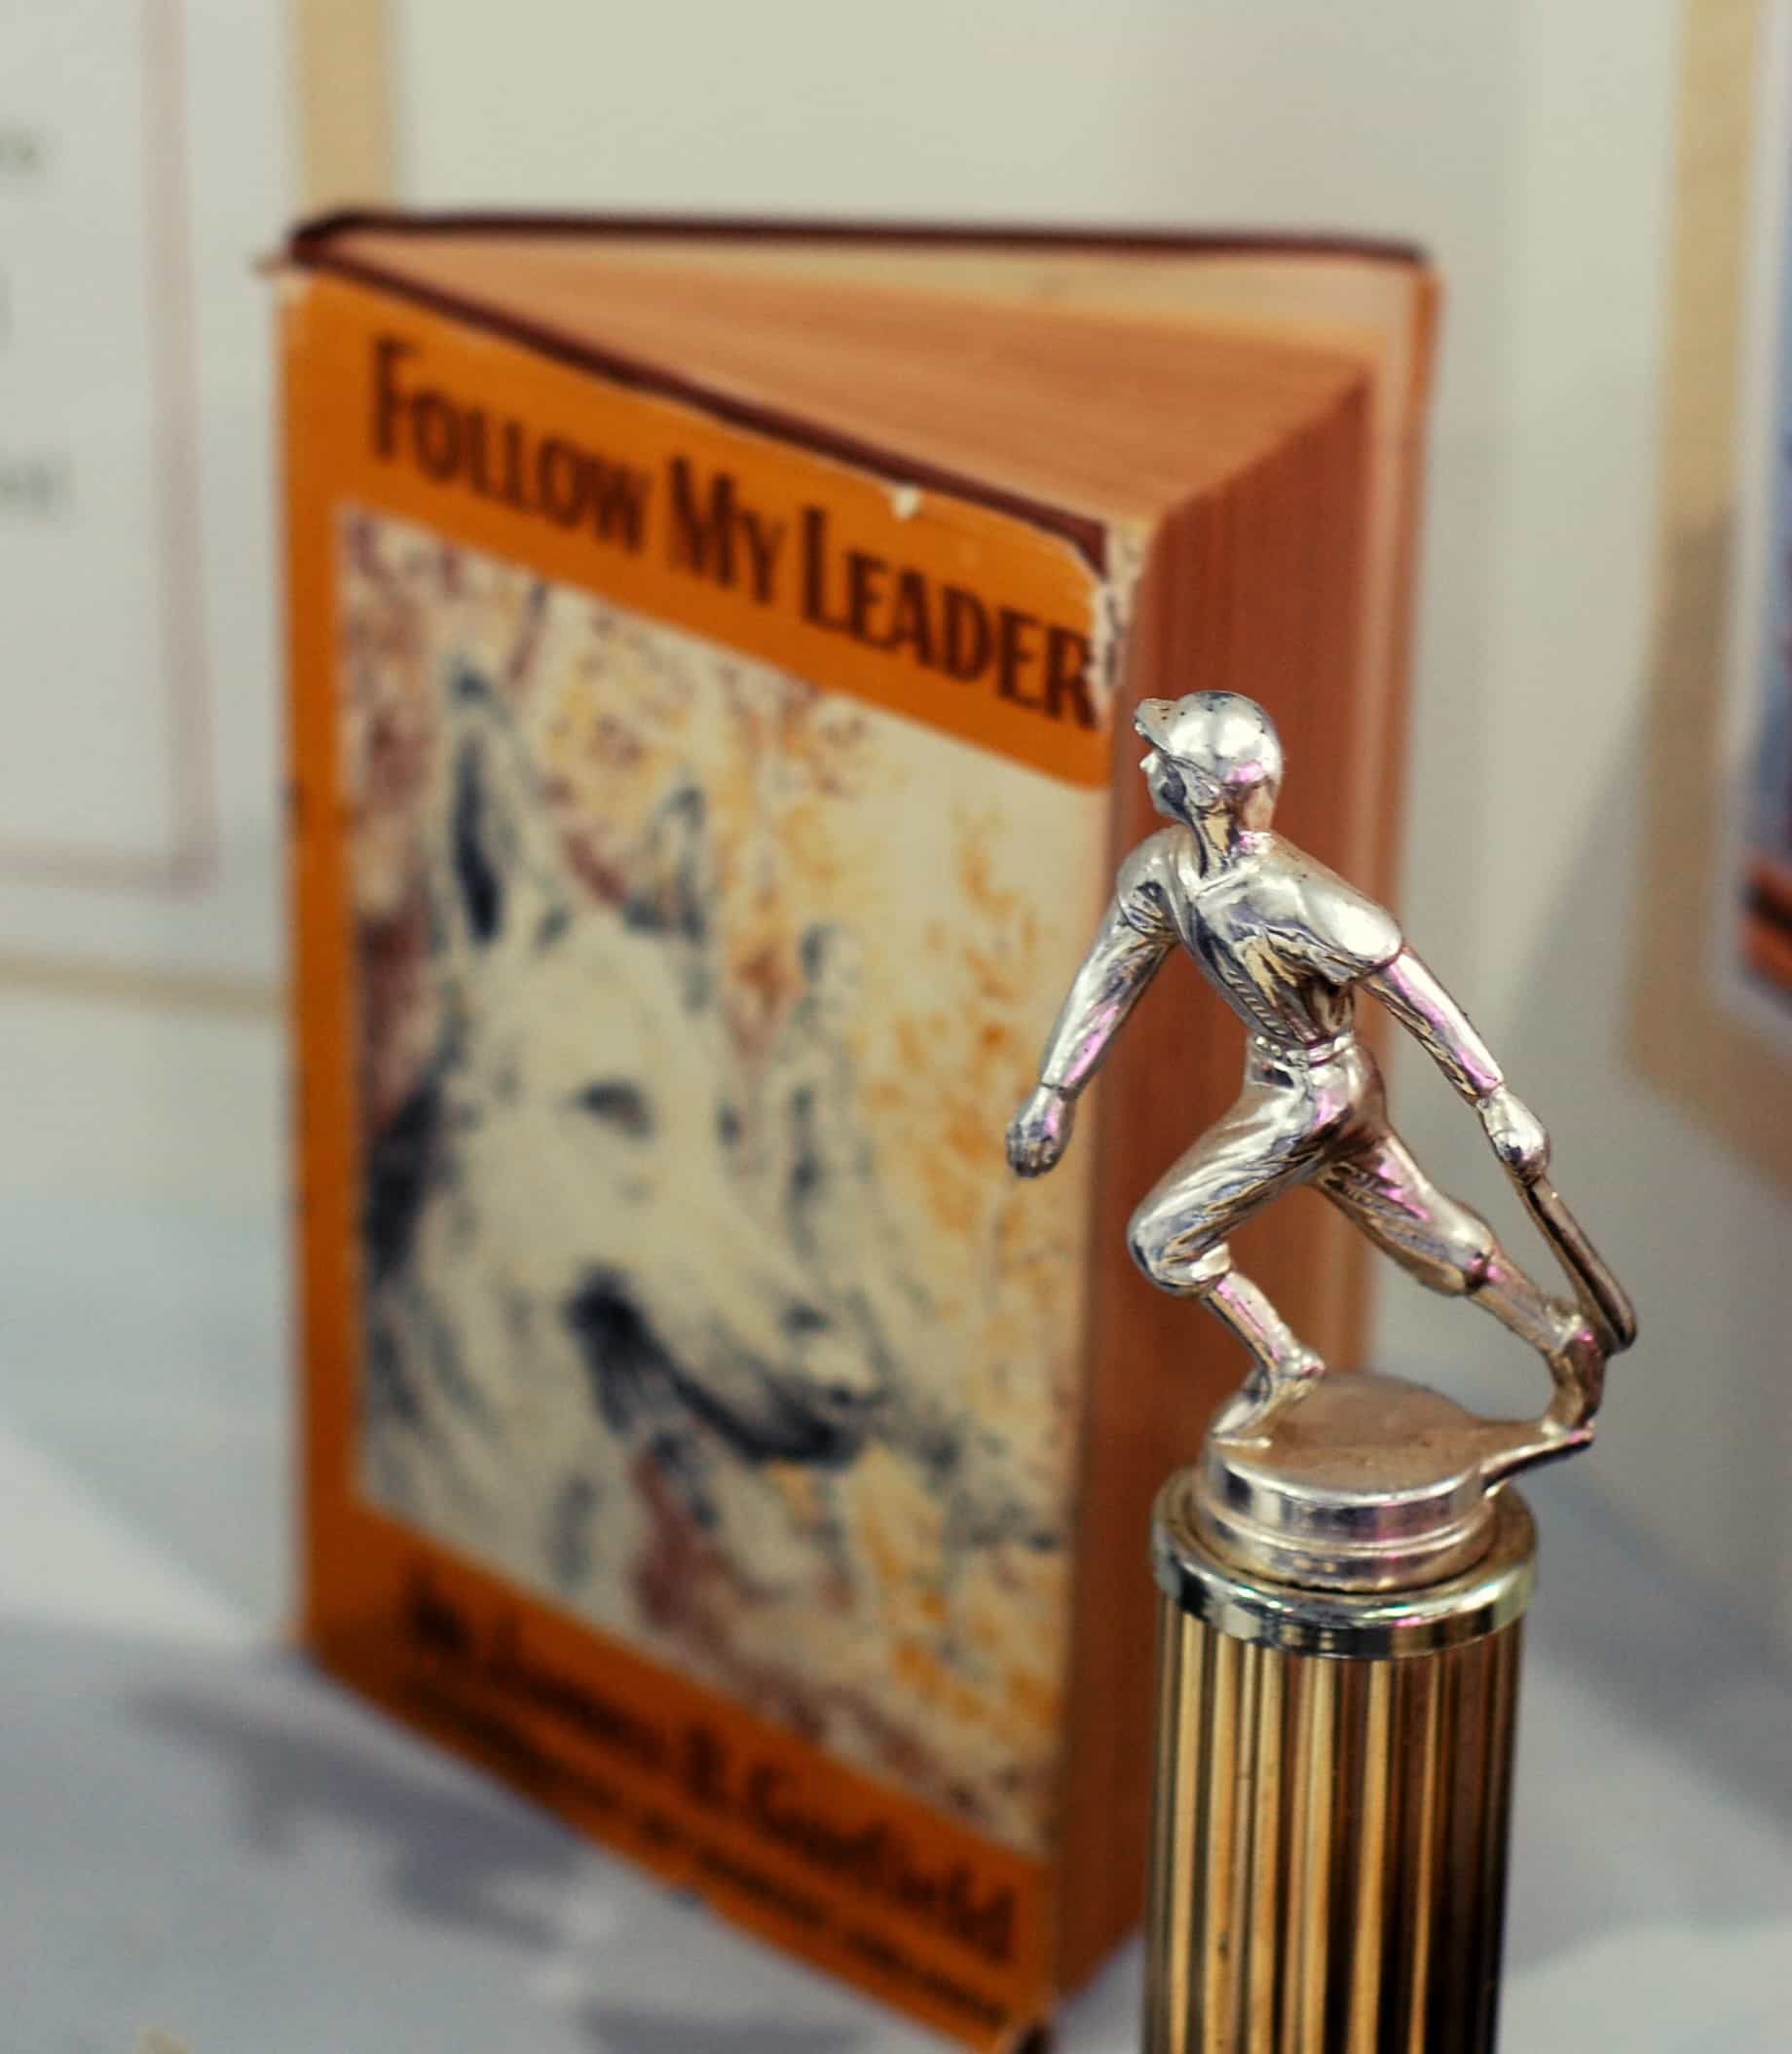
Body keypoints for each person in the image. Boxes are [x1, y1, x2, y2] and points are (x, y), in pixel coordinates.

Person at [1004, 691, 1604, 1440]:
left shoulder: (1298, 899)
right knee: (1428, 1238)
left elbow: (1416, 995)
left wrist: (1494, 1098)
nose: (1147, 766)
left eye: (1165, 759)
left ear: (1206, 792)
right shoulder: (1161, 871)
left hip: (1315, 1097)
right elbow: (1110, 977)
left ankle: (1286, 1361)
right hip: (1282, 1084)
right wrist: (1055, 1090)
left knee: (1163, 1239)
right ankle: (1560, 1334)